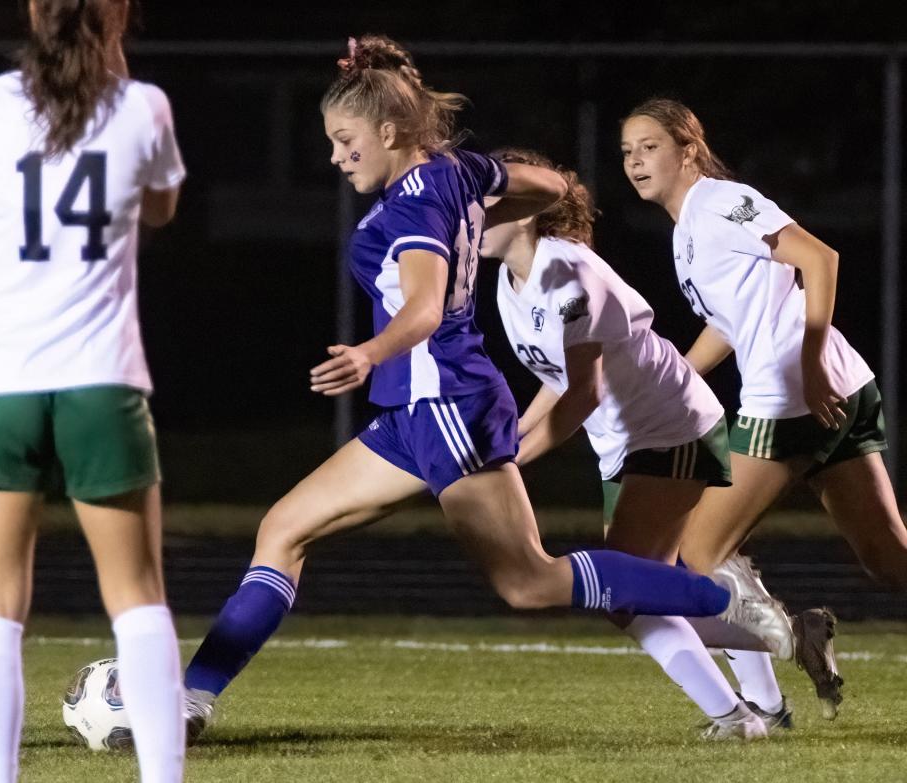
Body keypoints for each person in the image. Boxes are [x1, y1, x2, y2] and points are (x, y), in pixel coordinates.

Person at [180, 36, 780, 742]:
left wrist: (370, 351)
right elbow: (553, 187)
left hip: (446, 403)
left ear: (388, 131)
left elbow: (426, 308)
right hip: (413, 410)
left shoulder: (413, 205)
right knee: (282, 528)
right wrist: (484, 207)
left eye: (345, 142)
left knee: (528, 581)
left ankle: (720, 597)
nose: (337, 157)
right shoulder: (456, 172)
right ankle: (191, 699)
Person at [0, 1, 186, 780]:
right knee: (138, 599)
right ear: (117, 16)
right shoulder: (143, 106)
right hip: (100, 384)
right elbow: (162, 205)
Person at [484, 147, 798, 739]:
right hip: (629, 444)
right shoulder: (511, 283)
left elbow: (582, 395)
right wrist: (507, 442)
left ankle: (737, 707)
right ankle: (763, 703)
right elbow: (557, 383)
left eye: (483, 202)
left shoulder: (567, 273)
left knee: (624, 594)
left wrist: (508, 462)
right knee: (634, 593)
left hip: (671, 427)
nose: (469, 216)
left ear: (525, 210)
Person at [618, 97, 904, 718]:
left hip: (793, 396)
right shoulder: (688, 227)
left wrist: (808, 359)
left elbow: (819, 258)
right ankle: (790, 635)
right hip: (845, 388)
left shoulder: (720, 202)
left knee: (698, 555)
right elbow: (731, 320)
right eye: (626, 151)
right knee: (890, 559)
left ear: (688, 150)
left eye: (649, 147)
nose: (635, 161)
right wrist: (678, 378)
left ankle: (792, 633)